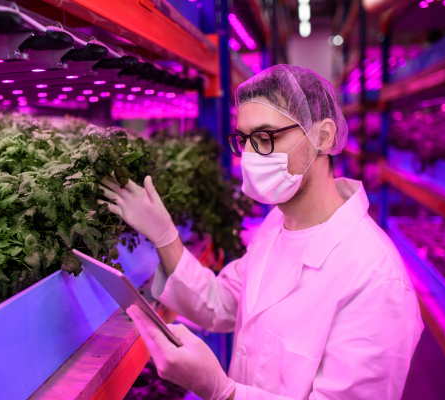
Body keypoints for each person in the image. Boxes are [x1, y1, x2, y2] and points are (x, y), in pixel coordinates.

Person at [98, 65, 423, 400]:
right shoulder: (276, 225)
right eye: (245, 140)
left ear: (323, 137)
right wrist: (165, 235)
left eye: (266, 138)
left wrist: (222, 391)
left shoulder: (375, 277)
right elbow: (221, 303)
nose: (250, 156)